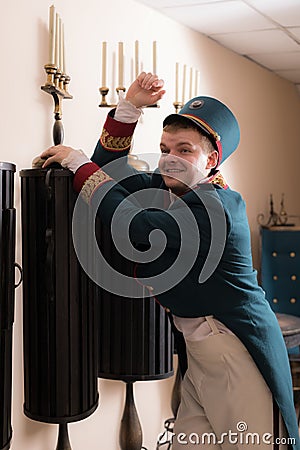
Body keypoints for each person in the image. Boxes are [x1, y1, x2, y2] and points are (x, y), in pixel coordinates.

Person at [41, 72, 300, 449]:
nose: (170, 159)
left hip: (236, 352)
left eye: (184, 150)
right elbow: (107, 174)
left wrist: (78, 164)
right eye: (165, 148)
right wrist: (129, 108)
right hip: (200, 354)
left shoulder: (219, 207)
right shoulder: (165, 187)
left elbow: (138, 227)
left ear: (211, 160)